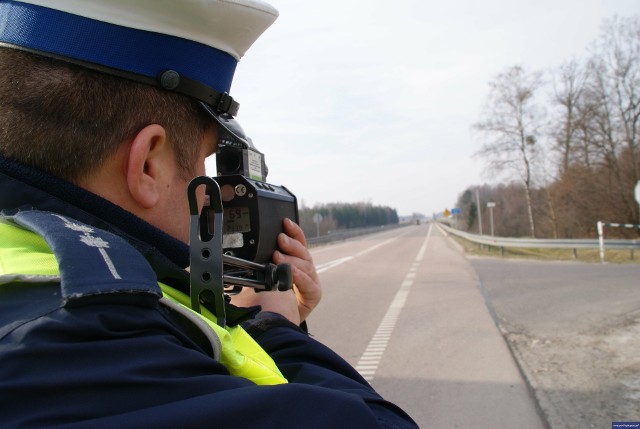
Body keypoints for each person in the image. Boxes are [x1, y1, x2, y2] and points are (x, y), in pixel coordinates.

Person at [0, 1, 418, 427]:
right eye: (202, 165)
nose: (208, 196)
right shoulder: (97, 336)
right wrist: (278, 328)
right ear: (149, 163)